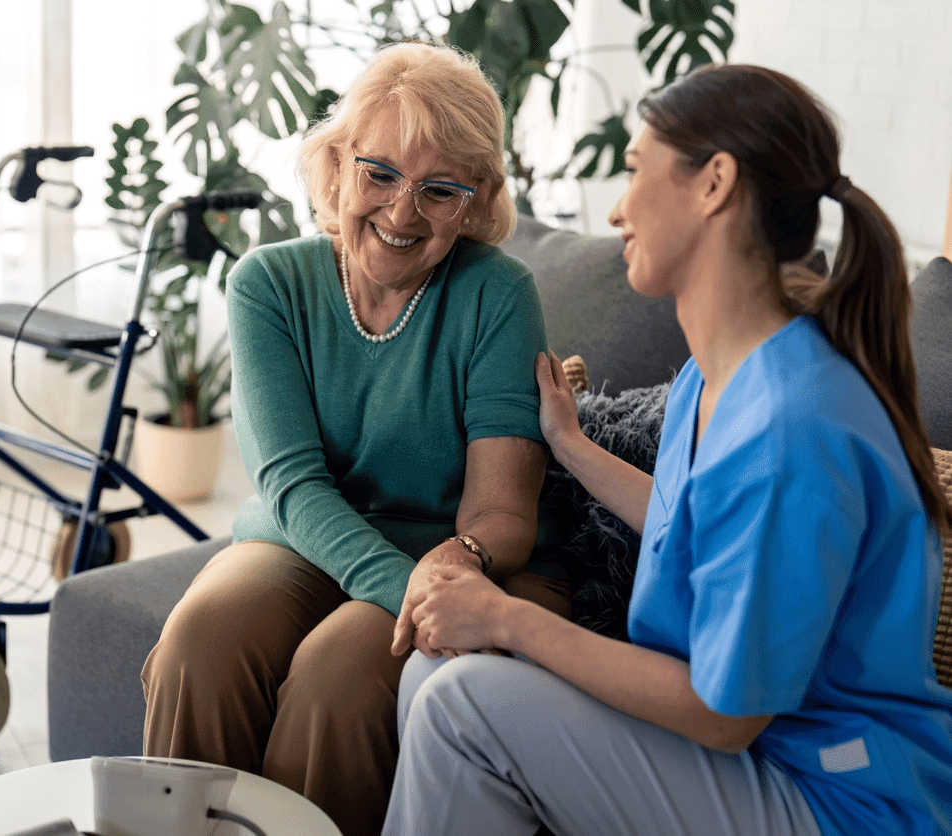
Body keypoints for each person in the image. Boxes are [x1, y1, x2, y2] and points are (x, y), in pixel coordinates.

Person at [382, 64, 952, 836]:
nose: (617, 210)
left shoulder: (796, 426)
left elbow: (724, 713)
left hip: (835, 798)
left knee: (461, 703)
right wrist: (570, 444)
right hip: (753, 763)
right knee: (434, 668)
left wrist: (506, 619)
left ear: (713, 183)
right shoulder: (711, 380)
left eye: (633, 170)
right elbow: (696, 523)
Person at [140, 42, 571, 836]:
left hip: (456, 553)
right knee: (197, 644)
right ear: (337, 166)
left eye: (439, 190)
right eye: (380, 175)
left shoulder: (497, 292)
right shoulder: (268, 283)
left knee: (335, 683)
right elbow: (292, 486)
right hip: (302, 537)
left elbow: (502, 513)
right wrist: (404, 588)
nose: (402, 214)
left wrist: (455, 570)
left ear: (476, 201)